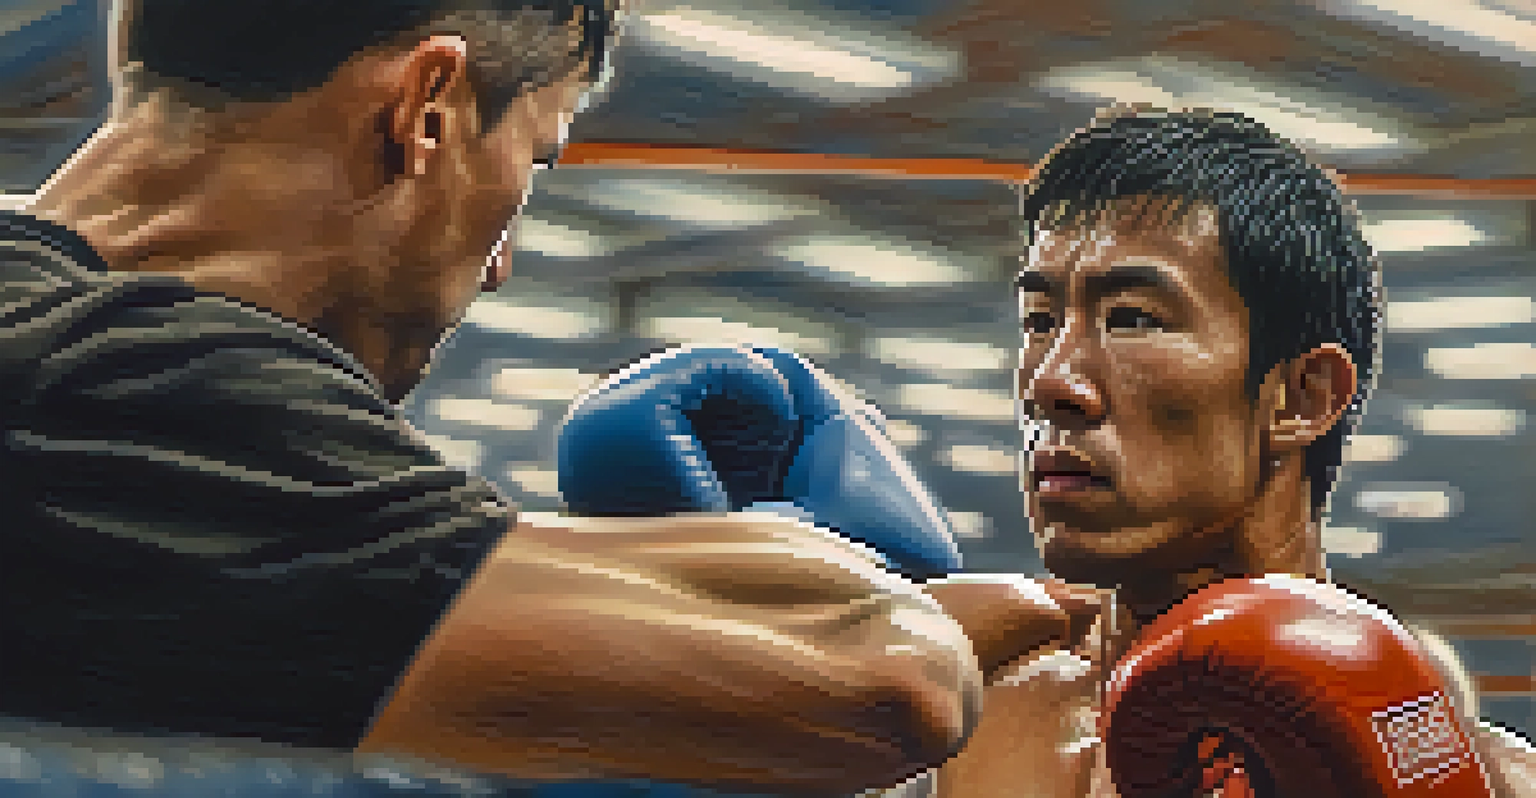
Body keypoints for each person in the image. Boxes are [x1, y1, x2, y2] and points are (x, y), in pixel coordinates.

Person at [0, 2, 1068, 794]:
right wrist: (829, 568)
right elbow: (881, 673)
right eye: (534, 161)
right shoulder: (118, 381)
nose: (501, 263)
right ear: (427, 109)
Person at [921, 108, 1536, 797]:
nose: (1049, 382)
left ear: (1302, 398)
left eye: (1131, 318)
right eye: (1040, 321)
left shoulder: (1486, 783)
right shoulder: (953, 722)